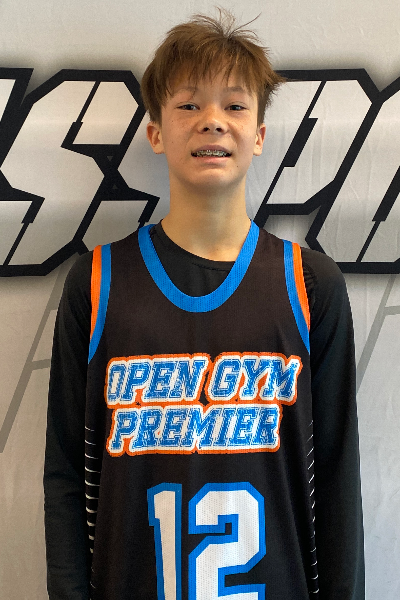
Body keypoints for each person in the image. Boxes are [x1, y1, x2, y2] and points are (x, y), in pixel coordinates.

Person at [44, 7, 365, 600]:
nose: (212, 121)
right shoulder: (97, 281)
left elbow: (338, 481)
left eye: (235, 106)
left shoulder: (310, 284)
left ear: (260, 135)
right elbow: (66, 473)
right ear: (156, 132)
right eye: (189, 104)